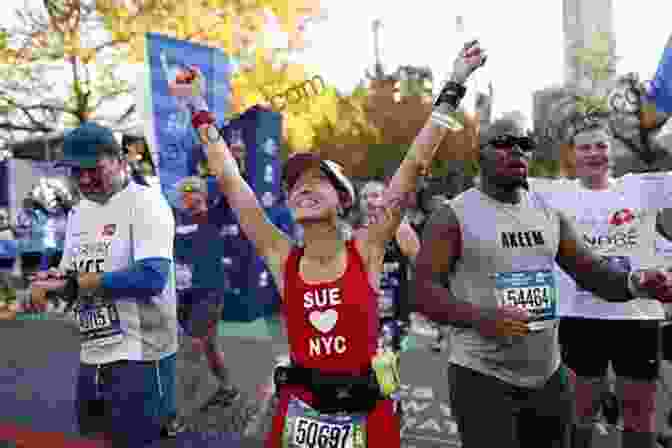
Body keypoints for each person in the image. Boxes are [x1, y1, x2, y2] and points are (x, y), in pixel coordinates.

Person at [187, 39, 487, 448]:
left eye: (317, 182)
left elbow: (415, 164)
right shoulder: (281, 256)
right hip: (298, 411)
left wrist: (455, 81)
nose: (302, 189)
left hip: (368, 413)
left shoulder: (367, 248)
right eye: (294, 186)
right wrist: (197, 105)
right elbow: (229, 179)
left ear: (344, 199)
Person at [413, 115, 672, 448]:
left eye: (525, 144)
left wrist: (638, 283)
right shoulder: (452, 215)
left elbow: (593, 274)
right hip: (483, 376)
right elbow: (421, 291)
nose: (516, 151)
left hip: (548, 377)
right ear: (480, 153)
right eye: (504, 143)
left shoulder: (547, 212)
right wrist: (482, 318)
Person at [28, 122, 177, 448]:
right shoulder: (79, 212)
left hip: (141, 356)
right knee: (103, 439)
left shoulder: (147, 202)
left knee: (138, 441)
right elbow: (70, 273)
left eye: (93, 169)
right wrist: (46, 285)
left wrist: (72, 285)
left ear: (120, 160)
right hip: (93, 352)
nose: (83, 179)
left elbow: (152, 277)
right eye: (74, 171)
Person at [529, 119, 672, 448]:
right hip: (579, 316)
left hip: (637, 316)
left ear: (612, 151)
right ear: (573, 154)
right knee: (581, 410)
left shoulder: (640, 187)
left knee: (639, 412)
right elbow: (493, 190)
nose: (594, 154)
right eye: (585, 147)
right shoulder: (552, 193)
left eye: (601, 146)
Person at [174, 175, 241, 411]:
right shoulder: (176, 219)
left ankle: (179, 409)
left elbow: (231, 188)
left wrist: (232, 162)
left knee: (191, 346)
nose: (189, 196)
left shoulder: (214, 215)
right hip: (184, 295)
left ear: (203, 194)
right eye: (185, 193)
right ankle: (227, 387)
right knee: (209, 346)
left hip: (210, 292)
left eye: (194, 191)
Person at [356, 179, 420, 353]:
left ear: (386, 200)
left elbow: (422, 271)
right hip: (363, 315)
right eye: (364, 197)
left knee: (386, 369)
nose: (369, 201)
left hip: (394, 316)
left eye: (375, 196)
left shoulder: (401, 231)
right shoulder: (357, 235)